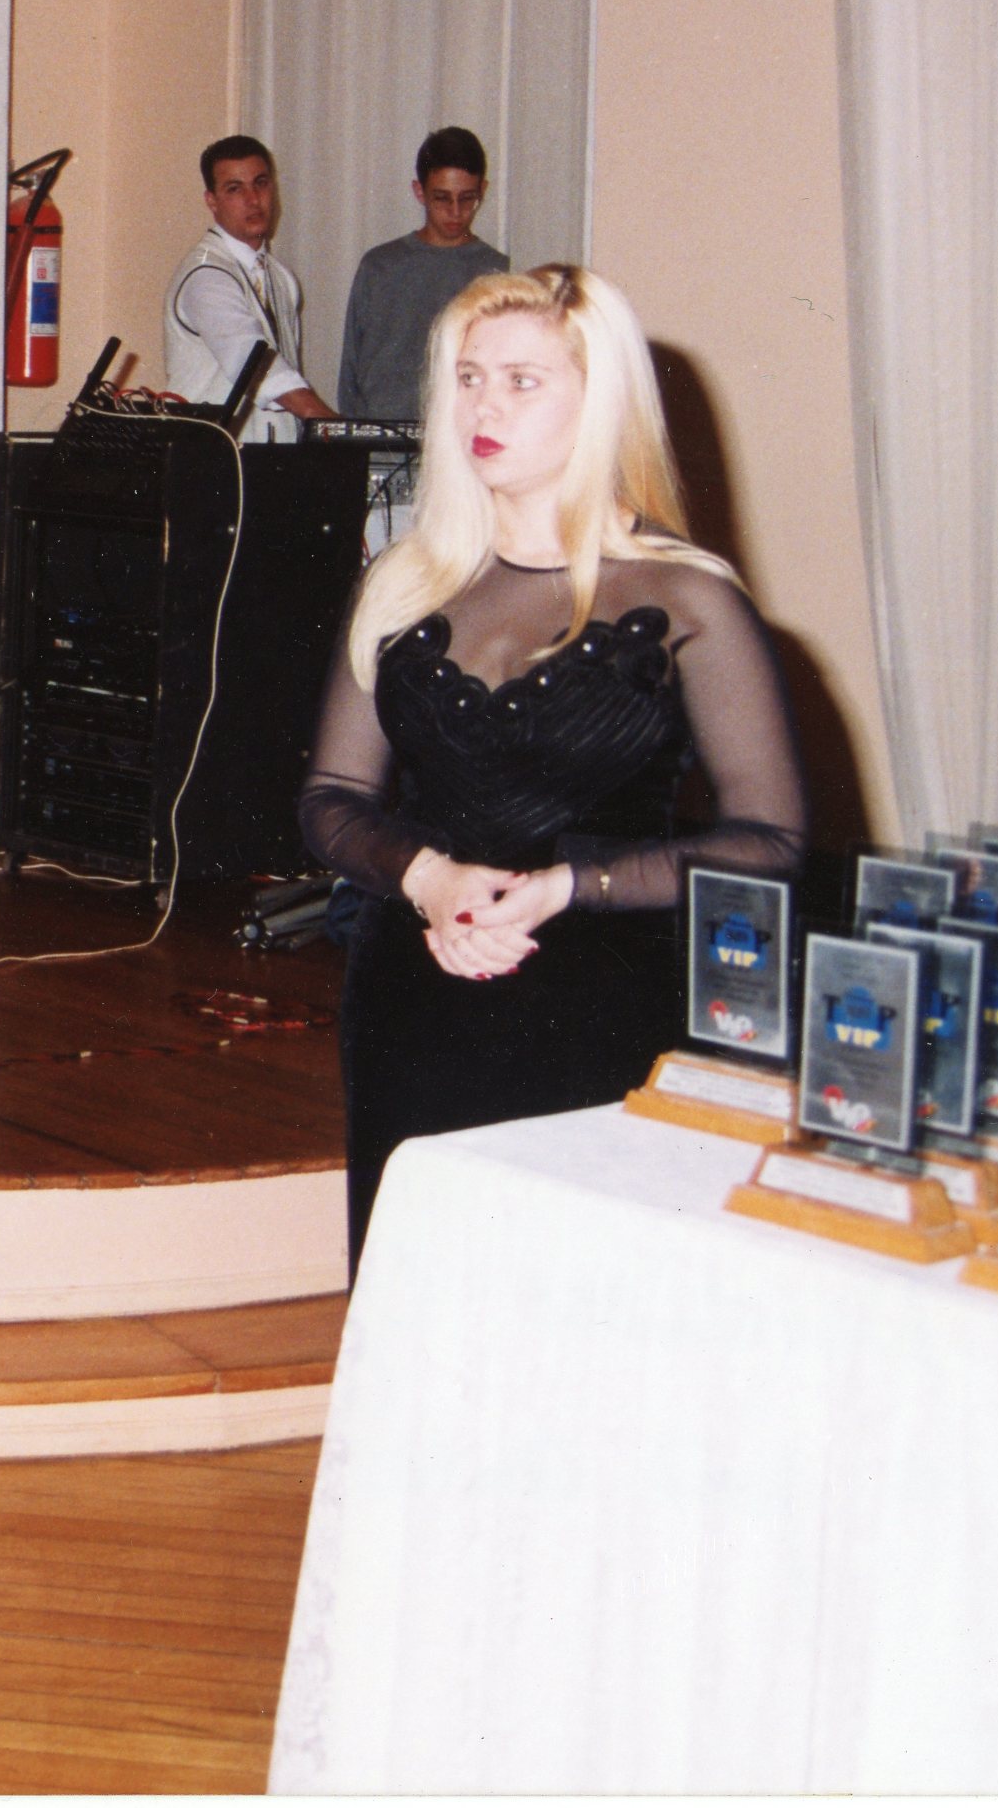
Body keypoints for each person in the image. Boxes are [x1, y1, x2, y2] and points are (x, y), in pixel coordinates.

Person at [297, 264, 806, 1262]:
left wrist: (568, 886)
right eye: (468, 378)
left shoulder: (688, 601)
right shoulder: (401, 585)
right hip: (416, 986)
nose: (483, 406)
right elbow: (330, 799)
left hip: (596, 996)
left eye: (521, 381)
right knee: (415, 1287)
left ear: (600, 404)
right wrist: (428, 878)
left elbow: (772, 840)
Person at [335, 127, 512, 422]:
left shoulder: (496, 271)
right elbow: (350, 373)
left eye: (467, 198)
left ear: (482, 190)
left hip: (459, 435)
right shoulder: (379, 266)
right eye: (442, 198)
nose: (455, 212)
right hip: (381, 437)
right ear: (420, 192)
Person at [164, 136, 334, 437]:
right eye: (235, 188)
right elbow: (258, 367)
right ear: (211, 201)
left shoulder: (281, 277)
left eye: (261, 183)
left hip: (268, 459)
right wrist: (338, 429)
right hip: (212, 457)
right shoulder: (205, 277)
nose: (253, 199)